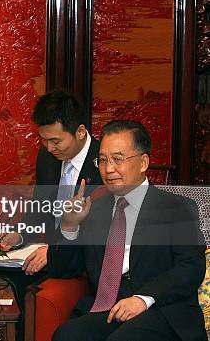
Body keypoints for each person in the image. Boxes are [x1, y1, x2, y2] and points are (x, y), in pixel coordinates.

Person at [49, 120, 205, 341]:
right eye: (102, 160)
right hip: (108, 309)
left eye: (118, 160)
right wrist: (70, 225)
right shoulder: (94, 209)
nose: (108, 169)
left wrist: (144, 298)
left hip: (160, 310)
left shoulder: (175, 208)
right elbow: (63, 270)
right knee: (67, 335)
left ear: (143, 162)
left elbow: (191, 268)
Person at [0, 91, 102, 275]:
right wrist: (19, 234)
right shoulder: (47, 158)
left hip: (85, 263)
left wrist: (55, 252)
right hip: (46, 254)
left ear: (80, 131)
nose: (49, 148)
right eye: (44, 140)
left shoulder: (104, 164)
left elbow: (100, 231)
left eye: (55, 141)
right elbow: (41, 208)